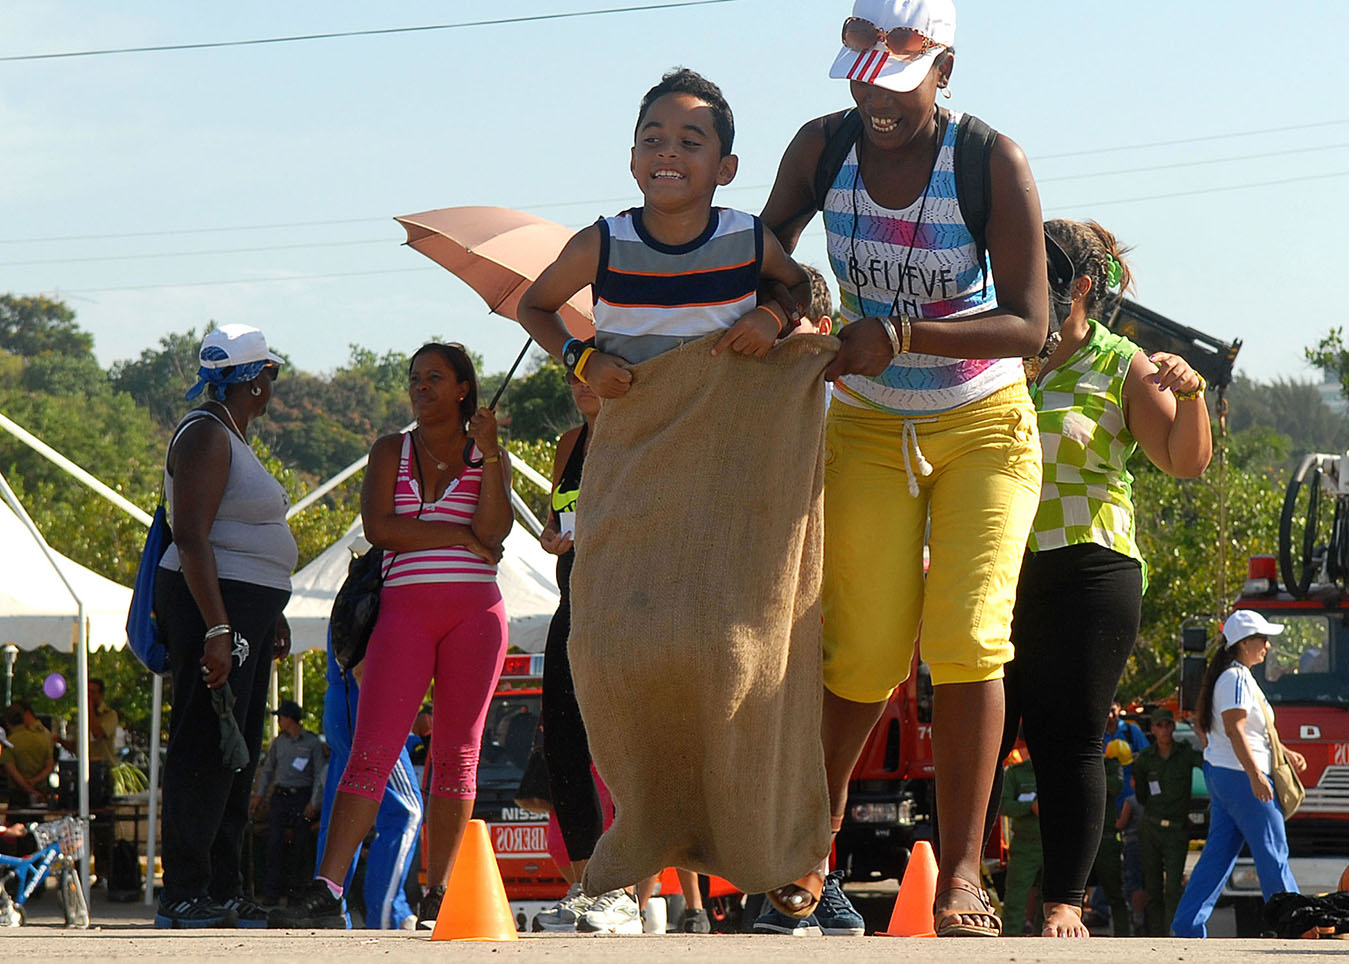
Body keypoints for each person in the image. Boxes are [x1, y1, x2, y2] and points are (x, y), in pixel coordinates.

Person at [758, 0, 1049, 937]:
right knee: (864, 652)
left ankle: (963, 873)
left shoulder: (988, 161)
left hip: (982, 425)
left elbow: (1029, 324)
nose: (876, 102)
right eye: (862, 80)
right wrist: (780, 309)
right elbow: (765, 254)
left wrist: (898, 331)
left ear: (944, 69)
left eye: (897, 84)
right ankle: (808, 847)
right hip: (868, 428)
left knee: (967, 638)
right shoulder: (820, 149)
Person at [518, 68, 817, 920]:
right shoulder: (602, 243)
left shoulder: (746, 237)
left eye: (691, 141)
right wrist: (582, 359)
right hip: (629, 468)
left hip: (725, 483)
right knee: (606, 654)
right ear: (630, 155)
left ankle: (762, 861)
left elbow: (794, 289)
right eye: (653, 137)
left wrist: (771, 318)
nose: (668, 153)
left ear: (725, 166)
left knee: (729, 657)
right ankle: (627, 861)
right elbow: (541, 306)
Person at [994, 217, 1212, 937]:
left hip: (1089, 565)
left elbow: (1182, 462)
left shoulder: (1123, 363)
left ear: (1078, 286)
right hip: (995, 562)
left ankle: (1064, 900)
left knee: (1070, 735)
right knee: (983, 726)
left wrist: (1190, 395)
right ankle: (958, 880)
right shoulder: (998, 349)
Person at [271, 342, 511, 929]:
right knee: (372, 749)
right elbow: (380, 528)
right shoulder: (391, 451)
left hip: (476, 615)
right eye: (414, 378)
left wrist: (492, 457)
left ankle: (440, 892)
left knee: (457, 754)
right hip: (403, 612)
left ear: (462, 388)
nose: (421, 386)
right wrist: (454, 539)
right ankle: (327, 889)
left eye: (434, 377)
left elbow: (495, 531)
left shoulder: (487, 455)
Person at [154, 324, 295, 928]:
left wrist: (274, 612)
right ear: (257, 382)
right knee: (205, 745)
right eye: (270, 373)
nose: (272, 383)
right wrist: (217, 627)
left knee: (236, 752)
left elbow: (242, 537)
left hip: (242, 609)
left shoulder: (231, 434)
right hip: (213, 609)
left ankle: (222, 886)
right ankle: (185, 891)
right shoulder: (207, 435)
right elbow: (191, 537)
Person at [1171, 611, 1307, 938]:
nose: (1268, 646)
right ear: (1243, 643)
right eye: (1262, 639)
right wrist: (1256, 775)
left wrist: (1284, 753)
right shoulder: (1237, 678)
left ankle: (1187, 925)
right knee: (1273, 851)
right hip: (1243, 777)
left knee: (1217, 857)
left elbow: (1243, 731)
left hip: (1224, 776)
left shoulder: (1231, 675)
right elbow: (1235, 729)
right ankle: (1295, 926)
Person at [317, 630, 422, 930]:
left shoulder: (356, 591)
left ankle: (328, 905)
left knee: (339, 816)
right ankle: (391, 913)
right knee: (406, 810)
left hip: (343, 706)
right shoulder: (383, 587)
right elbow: (365, 667)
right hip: (367, 709)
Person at [1133, 706, 1202, 936]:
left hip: (1177, 830)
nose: (1164, 730)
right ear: (1152, 729)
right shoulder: (1145, 760)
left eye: (1168, 725)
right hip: (1151, 829)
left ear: (1173, 727)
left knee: (1173, 887)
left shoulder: (1185, 753)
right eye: (1159, 726)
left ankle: (1171, 933)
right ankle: (1155, 936)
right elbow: (1142, 795)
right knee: (1152, 888)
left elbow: (1207, 762)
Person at [252, 700, 325, 906]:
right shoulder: (279, 742)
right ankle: (271, 893)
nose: (279, 721)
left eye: (281, 717)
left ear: (290, 718)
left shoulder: (312, 743)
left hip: (301, 797)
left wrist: (314, 802)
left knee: (299, 846)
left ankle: (296, 895)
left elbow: (320, 773)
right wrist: (260, 795)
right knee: (274, 844)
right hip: (281, 797)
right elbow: (268, 770)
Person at [998, 747, 1042, 937]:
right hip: (1024, 847)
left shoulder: (1062, 772)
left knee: (1051, 903)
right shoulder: (1016, 774)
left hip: (1055, 848)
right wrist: (1029, 807)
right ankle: (1009, 943)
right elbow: (1003, 804)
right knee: (1015, 901)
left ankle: (1049, 947)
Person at [3, 702, 53, 808]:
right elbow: (50, 766)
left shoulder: (9, 742)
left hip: (18, 795)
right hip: (41, 793)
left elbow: (12, 772)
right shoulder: (43, 737)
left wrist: (30, 791)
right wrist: (35, 782)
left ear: (7, 722)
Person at [58, 678, 119, 764]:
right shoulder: (81, 717)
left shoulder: (110, 715)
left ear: (101, 695)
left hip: (104, 767)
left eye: (92, 692)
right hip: (84, 766)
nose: (88, 695)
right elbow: (76, 748)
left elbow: (97, 733)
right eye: (87, 692)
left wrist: (89, 706)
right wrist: (59, 740)